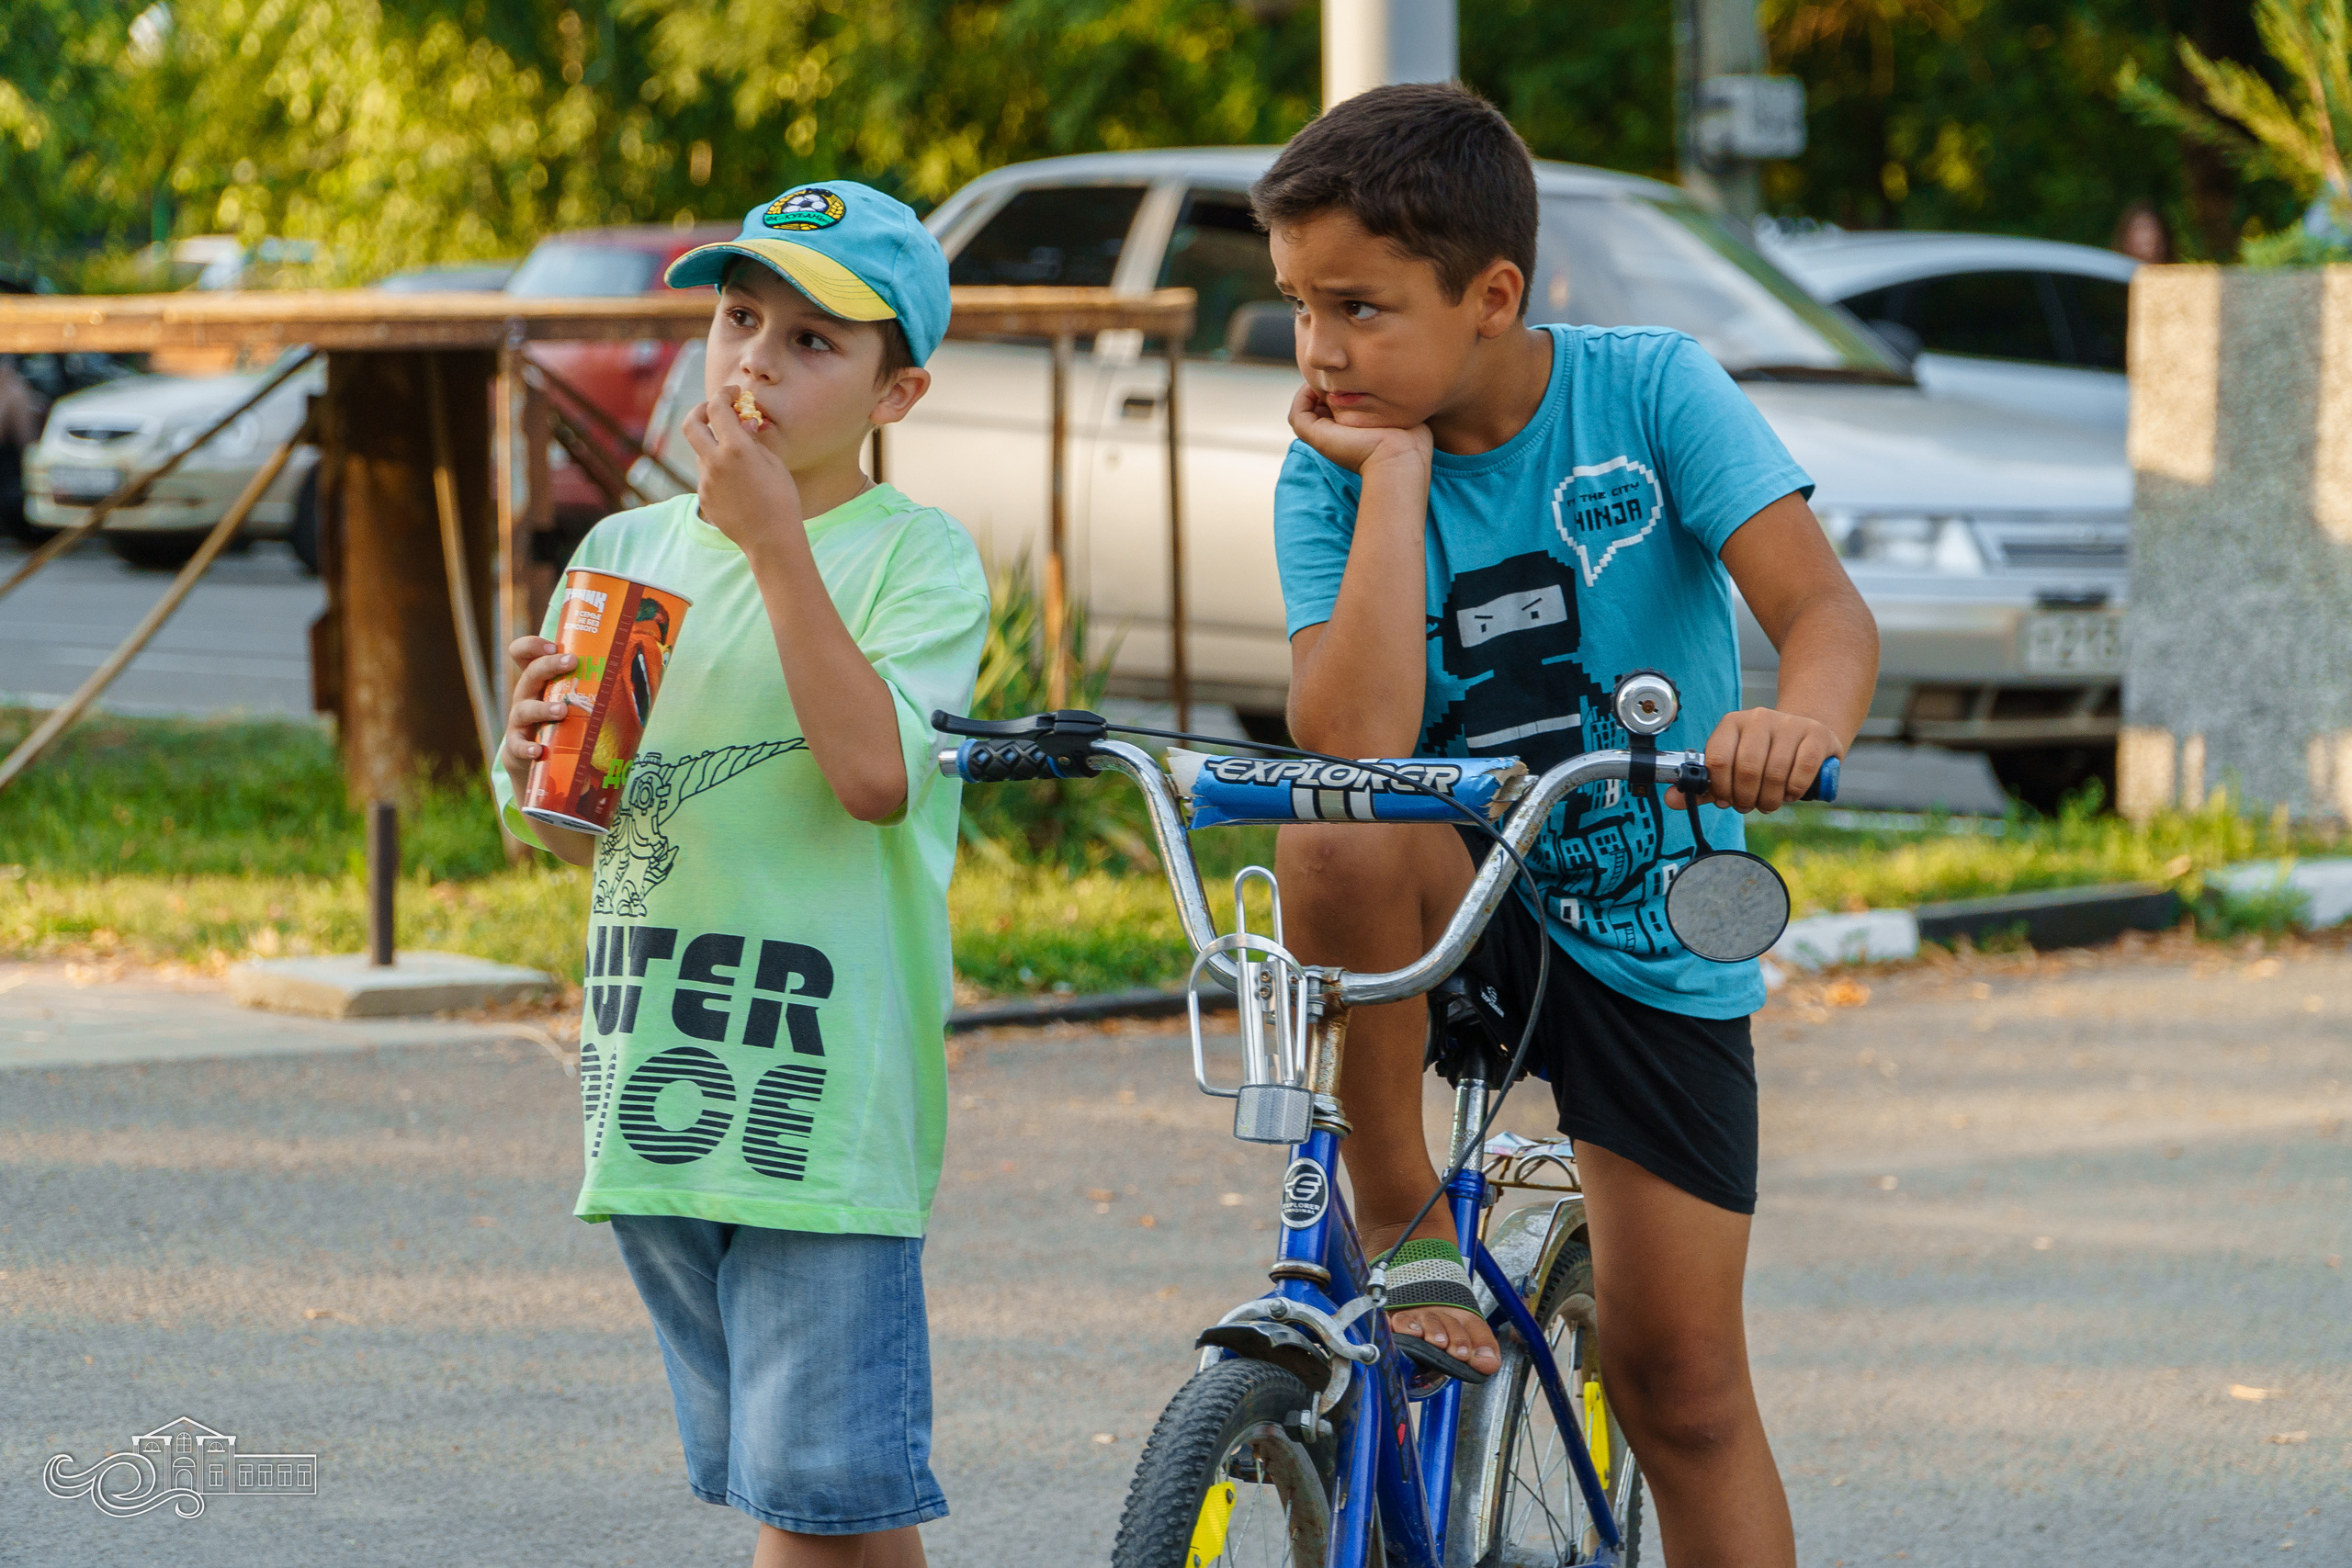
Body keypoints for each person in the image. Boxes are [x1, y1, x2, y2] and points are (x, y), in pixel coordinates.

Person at [1255, 85, 1878, 1566]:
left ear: (1492, 296)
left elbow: (1822, 611)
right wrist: (1395, 479)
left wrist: (1800, 722)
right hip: (1453, 898)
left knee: (1683, 1390)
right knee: (1332, 828)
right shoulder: (1330, 469)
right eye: (1299, 306)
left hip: (1648, 912)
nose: (1320, 349)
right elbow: (1352, 740)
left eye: (1359, 307)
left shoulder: (1650, 391)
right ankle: (1399, 1200)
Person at [491, 181, 989, 1568]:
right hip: (653, 1087)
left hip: (818, 1105)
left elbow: (874, 776)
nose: (755, 361)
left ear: (897, 393)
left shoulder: (914, 559)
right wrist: (532, 760)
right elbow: (576, 831)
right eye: (738, 319)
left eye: (813, 341)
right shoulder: (625, 552)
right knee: (829, 1499)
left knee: (807, 1495)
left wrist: (773, 540)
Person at [2111, 201, 2174, 265]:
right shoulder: (2112, 268)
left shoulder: (2175, 269)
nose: (2146, 234)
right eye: (2139, 227)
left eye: (2151, 227)